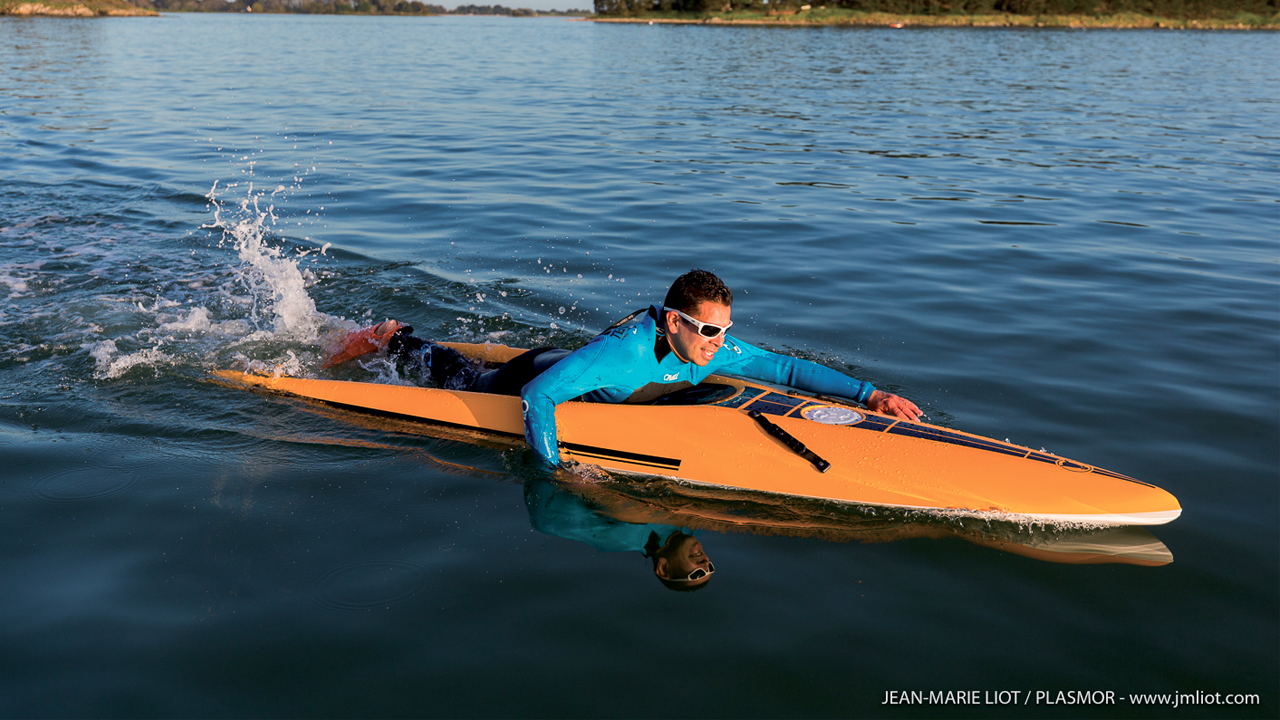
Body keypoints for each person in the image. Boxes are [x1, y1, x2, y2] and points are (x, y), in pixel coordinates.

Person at [325, 269, 922, 468]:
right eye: (710, 330)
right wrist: (555, 473)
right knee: (451, 372)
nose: (722, 343)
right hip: (520, 381)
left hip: (582, 379)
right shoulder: (627, 352)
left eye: (727, 330)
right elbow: (536, 399)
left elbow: (789, 372)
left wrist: (871, 396)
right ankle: (391, 337)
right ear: (673, 322)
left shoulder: (713, 346)